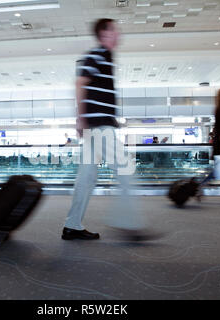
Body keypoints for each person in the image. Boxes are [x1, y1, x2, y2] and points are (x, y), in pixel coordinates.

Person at [62, 18, 153, 241]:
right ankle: (129, 224)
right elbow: (80, 83)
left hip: (100, 125)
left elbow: (97, 92)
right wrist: (80, 118)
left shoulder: (107, 57)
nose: (119, 33)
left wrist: (110, 119)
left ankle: (72, 225)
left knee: (87, 177)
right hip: (98, 126)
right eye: (115, 30)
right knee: (125, 170)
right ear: (105, 34)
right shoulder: (97, 54)